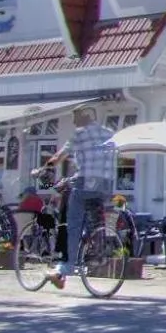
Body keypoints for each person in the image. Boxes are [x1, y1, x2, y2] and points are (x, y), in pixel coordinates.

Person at [43, 106, 114, 289]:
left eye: (76, 117)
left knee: (71, 225)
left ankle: (66, 268)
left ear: (85, 117)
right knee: (92, 219)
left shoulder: (79, 134)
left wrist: (43, 169)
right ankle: (92, 245)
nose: (74, 122)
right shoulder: (109, 133)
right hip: (106, 186)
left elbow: (59, 157)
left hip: (85, 184)